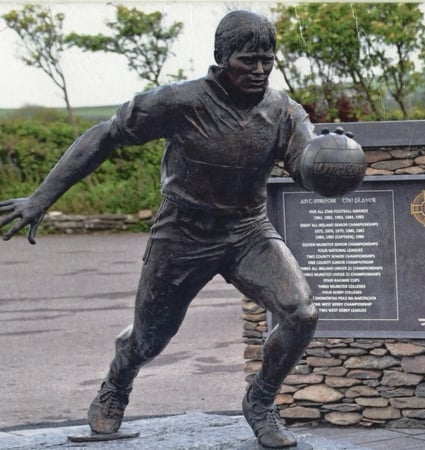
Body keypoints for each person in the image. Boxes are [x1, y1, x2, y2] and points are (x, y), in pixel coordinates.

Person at [0, 10, 325, 449]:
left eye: (267, 60)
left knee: (301, 312)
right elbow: (104, 136)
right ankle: (117, 383)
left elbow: (305, 164)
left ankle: (261, 402)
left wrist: (330, 160)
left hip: (248, 232)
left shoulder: (284, 111)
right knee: (149, 339)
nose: (260, 70)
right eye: (248, 60)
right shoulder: (178, 102)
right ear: (222, 58)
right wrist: (41, 198)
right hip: (181, 234)